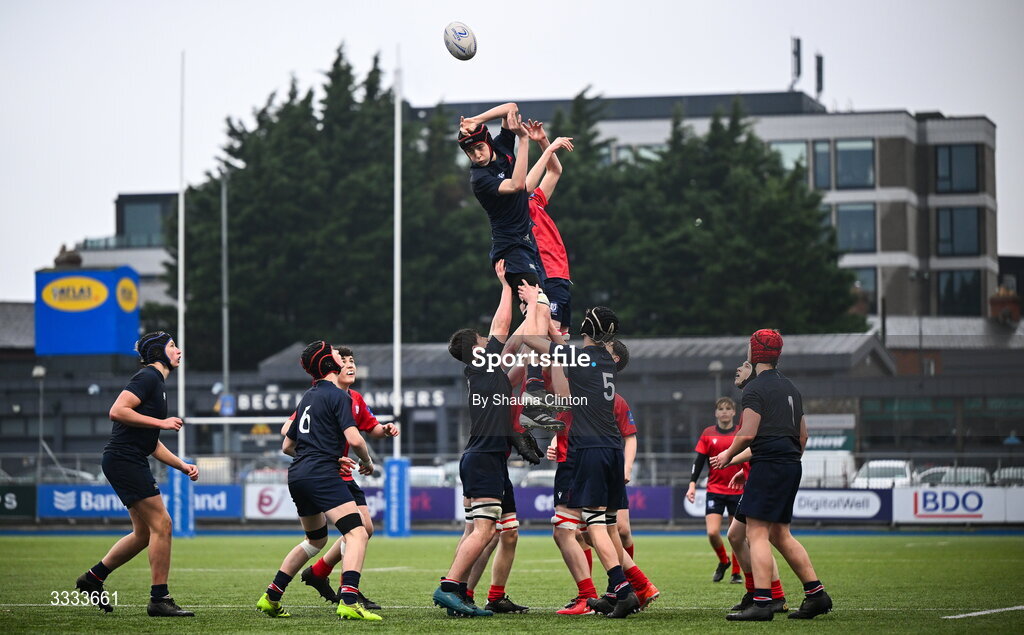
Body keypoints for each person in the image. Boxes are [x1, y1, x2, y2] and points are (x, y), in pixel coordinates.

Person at [518, 282, 640, 619]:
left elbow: (530, 340)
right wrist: (557, 335)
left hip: (590, 448)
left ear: (590, 328)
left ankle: (624, 589)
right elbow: (564, 348)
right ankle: (622, 589)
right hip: (611, 448)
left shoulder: (579, 356)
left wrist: (536, 306)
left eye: (587, 317)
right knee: (603, 524)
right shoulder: (602, 359)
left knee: (595, 525)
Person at [434, 261, 540, 618]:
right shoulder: (479, 364)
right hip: (483, 458)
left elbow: (517, 364)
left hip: (490, 457)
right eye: (481, 341)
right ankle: (449, 587)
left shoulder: (487, 374)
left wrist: (535, 313)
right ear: (474, 349)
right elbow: (502, 327)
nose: (487, 341)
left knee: (494, 532)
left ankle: (463, 593)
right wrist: (507, 286)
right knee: (483, 529)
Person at [711, 329, 833, 621]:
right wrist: (784, 459)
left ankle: (763, 602)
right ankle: (816, 595)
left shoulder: (754, 389)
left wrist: (728, 457)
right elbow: (802, 436)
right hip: (790, 463)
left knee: (757, 533)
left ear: (754, 353)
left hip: (770, 465)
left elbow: (748, 433)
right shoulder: (791, 387)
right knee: (778, 533)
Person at [256, 341, 381, 621]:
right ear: (329, 364)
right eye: (337, 354)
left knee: (315, 540)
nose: (343, 357)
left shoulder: (308, 396)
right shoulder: (339, 396)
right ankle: (349, 599)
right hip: (321, 475)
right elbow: (355, 439)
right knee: (358, 532)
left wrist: (324, 454)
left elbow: (288, 446)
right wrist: (367, 462)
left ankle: (271, 596)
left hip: (299, 474)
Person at [75, 331, 197, 617]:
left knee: (144, 533)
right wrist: (162, 422)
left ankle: (93, 578)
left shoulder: (157, 383)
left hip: (126, 459)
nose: (178, 351)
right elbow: (117, 410)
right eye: (172, 346)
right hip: (124, 460)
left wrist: (181, 465)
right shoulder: (148, 377)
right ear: (158, 353)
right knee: (163, 525)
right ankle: (159, 600)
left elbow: (151, 442)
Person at [280, 347, 399, 610]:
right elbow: (288, 431)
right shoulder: (323, 396)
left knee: (362, 530)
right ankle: (348, 593)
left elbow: (371, 428)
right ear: (331, 367)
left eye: (353, 361)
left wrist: (386, 429)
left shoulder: (353, 398)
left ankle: (320, 573)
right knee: (357, 531)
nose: (349, 365)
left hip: (338, 472)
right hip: (327, 473)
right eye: (343, 361)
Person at [458, 103, 546, 291]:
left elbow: (511, 107)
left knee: (543, 312)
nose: (477, 155)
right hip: (510, 249)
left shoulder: (501, 145)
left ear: (488, 141)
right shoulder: (479, 179)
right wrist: (523, 139)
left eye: (479, 147)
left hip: (527, 242)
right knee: (537, 305)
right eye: (470, 152)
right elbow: (517, 185)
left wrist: (475, 120)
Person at [686, 397, 744, 583]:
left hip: (737, 490)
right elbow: (699, 461)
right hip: (715, 489)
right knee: (712, 533)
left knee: (736, 535)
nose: (725, 411)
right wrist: (692, 484)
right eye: (721, 409)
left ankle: (736, 572)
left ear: (734, 412)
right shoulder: (708, 433)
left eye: (728, 408)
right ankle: (723, 561)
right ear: (716, 413)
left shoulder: (741, 433)